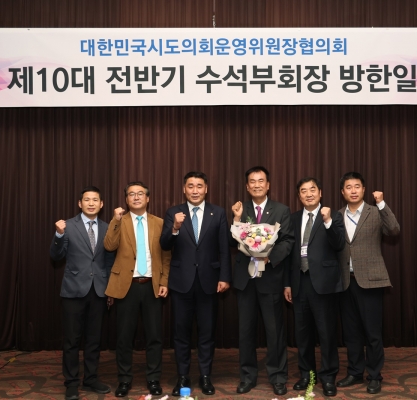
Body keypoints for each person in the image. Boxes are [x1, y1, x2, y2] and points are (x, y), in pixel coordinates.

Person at [160, 171, 232, 396]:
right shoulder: (173, 212)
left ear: (206, 189)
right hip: (181, 282)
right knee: (181, 333)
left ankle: (205, 376)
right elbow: (164, 244)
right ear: (184, 189)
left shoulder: (217, 212)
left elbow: (224, 248)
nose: (195, 190)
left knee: (207, 333)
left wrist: (225, 277)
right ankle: (182, 377)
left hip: (209, 282)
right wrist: (174, 228)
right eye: (190, 186)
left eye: (199, 186)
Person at [230, 166, 294, 396]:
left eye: (261, 181)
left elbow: (287, 241)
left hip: (271, 278)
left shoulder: (281, 210)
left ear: (268, 185)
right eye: (252, 181)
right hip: (245, 280)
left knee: (274, 331)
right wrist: (236, 220)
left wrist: (269, 256)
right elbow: (232, 241)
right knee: (245, 331)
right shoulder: (240, 209)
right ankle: (247, 376)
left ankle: (278, 377)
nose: (256, 185)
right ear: (247, 186)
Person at [103, 181, 171, 398]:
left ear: (148, 198)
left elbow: (166, 255)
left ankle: (153, 379)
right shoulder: (119, 221)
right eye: (131, 194)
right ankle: (124, 380)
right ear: (126, 199)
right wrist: (115, 220)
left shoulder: (159, 223)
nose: (136, 197)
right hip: (127, 286)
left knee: (154, 336)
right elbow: (109, 246)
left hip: (152, 285)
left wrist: (164, 281)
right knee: (124, 337)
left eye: (140, 193)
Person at [336, 172, 400, 395]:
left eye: (357, 186)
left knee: (372, 333)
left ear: (364, 190)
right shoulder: (336, 216)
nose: (353, 190)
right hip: (346, 282)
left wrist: (382, 203)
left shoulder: (375, 212)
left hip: (370, 281)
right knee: (351, 332)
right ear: (342, 192)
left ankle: (374, 375)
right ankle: (355, 372)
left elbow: (394, 229)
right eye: (348, 187)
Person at [49, 186, 113, 400]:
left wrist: (110, 289)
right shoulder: (67, 226)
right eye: (87, 199)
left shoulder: (107, 228)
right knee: (72, 340)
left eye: (95, 200)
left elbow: (109, 261)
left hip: (99, 291)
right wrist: (58, 235)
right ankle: (71, 383)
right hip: (73, 291)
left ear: (101, 204)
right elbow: (56, 256)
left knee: (94, 339)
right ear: (80, 203)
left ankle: (91, 378)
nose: (91, 203)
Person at [284, 177, 345, 397]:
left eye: (312, 190)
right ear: (299, 196)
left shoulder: (333, 215)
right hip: (299, 283)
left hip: (324, 283)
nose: (308, 194)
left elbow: (339, 244)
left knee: (327, 333)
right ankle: (306, 375)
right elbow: (290, 254)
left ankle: (328, 377)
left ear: (320, 193)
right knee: (303, 334)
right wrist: (287, 283)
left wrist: (327, 222)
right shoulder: (293, 218)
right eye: (303, 191)